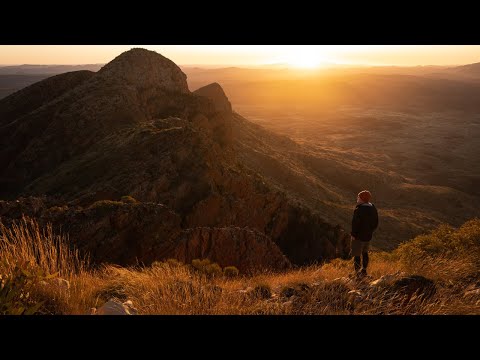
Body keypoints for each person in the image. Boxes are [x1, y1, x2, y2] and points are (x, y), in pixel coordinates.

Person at [350, 190, 378, 277]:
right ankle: (364, 271)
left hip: (358, 236)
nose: (357, 199)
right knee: (365, 253)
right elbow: (376, 223)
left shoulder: (359, 209)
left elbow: (355, 224)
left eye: (358, 197)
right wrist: (370, 231)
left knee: (356, 254)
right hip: (368, 236)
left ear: (361, 198)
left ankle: (357, 273)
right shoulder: (373, 208)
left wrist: (353, 235)